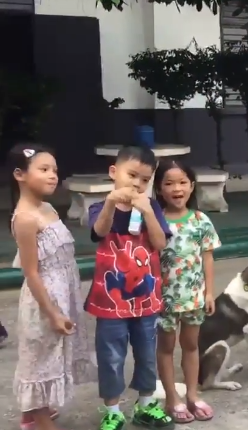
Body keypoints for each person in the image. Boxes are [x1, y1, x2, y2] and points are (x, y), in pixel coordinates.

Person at [85, 146, 174, 430]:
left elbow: (160, 244)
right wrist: (111, 203)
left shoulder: (153, 208)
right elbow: (99, 231)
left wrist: (148, 211)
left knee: (147, 353)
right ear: (114, 172)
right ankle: (112, 410)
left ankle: (146, 405)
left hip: (145, 300)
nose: (137, 184)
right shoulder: (100, 207)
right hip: (110, 302)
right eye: (132, 175)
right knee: (111, 355)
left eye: (145, 179)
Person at [9, 143, 96, 430]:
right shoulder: (24, 218)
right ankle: (40, 420)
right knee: (40, 358)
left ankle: (33, 411)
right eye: (44, 169)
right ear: (20, 174)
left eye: (54, 170)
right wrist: (53, 313)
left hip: (63, 289)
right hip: (43, 298)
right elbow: (31, 272)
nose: (52, 176)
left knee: (53, 355)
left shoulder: (47, 208)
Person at [154, 159, 220, 423]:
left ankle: (192, 395)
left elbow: (208, 258)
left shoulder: (200, 220)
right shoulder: (155, 221)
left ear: (192, 186)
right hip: (164, 300)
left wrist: (209, 292)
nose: (176, 188)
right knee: (166, 348)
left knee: (191, 346)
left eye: (182, 182)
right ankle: (172, 398)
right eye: (169, 183)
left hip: (194, 297)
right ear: (159, 189)